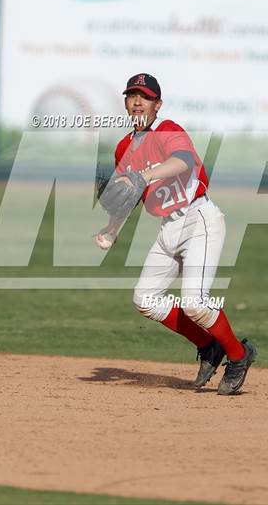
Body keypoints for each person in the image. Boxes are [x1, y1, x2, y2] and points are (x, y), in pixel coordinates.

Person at [95, 73, 256, 395]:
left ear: (158, 104)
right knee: (145, 300)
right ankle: (209, 346)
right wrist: (112, 230)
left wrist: (142, 175)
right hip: (168, 229)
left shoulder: (169, 131)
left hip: (200, 221)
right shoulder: (124, 147)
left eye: (145, 96)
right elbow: (125, 196)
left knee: (195, 304)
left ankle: (239, 355)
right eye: (132, 95)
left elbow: (182, 162)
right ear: (126, 103)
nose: (138, 101)